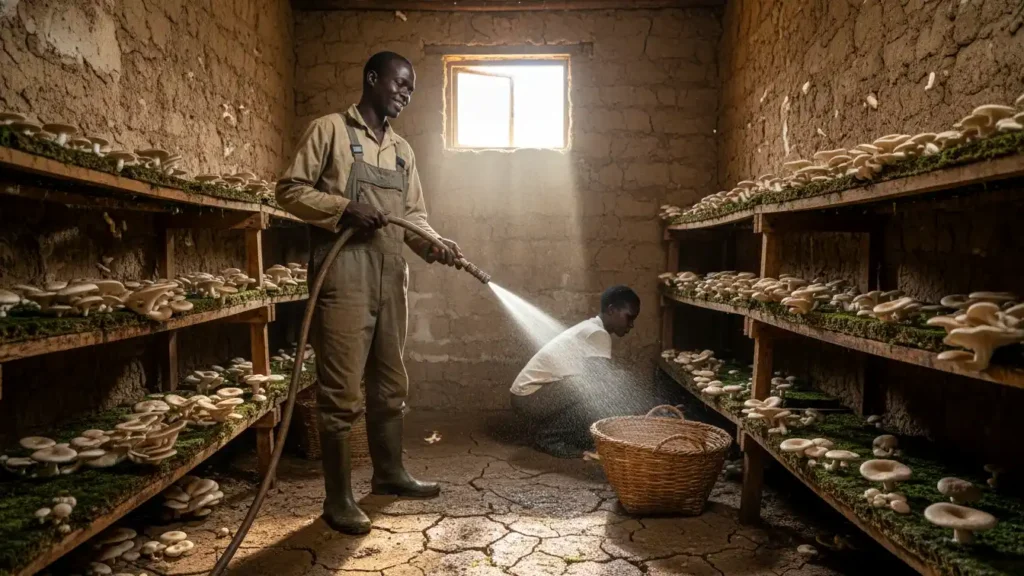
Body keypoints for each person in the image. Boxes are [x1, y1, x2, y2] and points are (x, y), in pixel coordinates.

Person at [276, 51, 462, 535]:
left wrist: (434, 244)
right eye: (400, 83)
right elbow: (289, 190)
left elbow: (413, 216)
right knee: (340, 393)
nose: (405, 93)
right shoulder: (330, 131)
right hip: (344, 276)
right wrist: (344, 208)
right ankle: (338, 499)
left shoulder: (403, 150)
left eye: (411, 89)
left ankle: (389, 475)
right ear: (372, 78)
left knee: (390, 383)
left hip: (391, 276)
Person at [509, 285, 647, 458]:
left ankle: (552, 431)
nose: (632, 325)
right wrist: (640, 414)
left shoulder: (590, 327)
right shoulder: (597, 333)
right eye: (629, 317)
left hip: (529, 396)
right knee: (597, 389)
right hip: (529, 398)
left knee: (603, 384)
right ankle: (549, 438)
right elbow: (603, 384)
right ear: (612, 310)